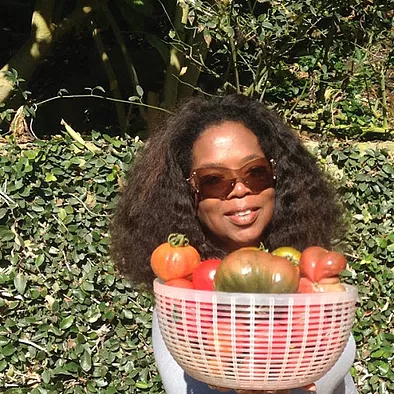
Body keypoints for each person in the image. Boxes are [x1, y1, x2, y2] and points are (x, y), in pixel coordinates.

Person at [110, 94, 358, 394]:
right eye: (213, 178)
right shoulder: (183, 298)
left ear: (278, 175)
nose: (239, 190)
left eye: (255, 172)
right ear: (188, 191)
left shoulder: (308, 269)